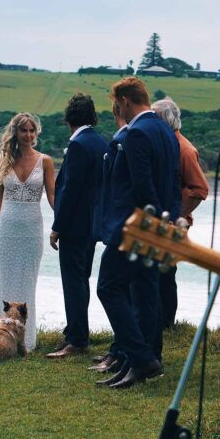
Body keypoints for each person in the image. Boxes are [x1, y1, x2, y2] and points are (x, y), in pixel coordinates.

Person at [95, 77, 180, 389]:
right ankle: (144, 359)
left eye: (116, 105)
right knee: (146, 293)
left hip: (134, 226)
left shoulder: (136, 133)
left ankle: (140, 357)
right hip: (157, 225)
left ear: (126, 102)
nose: (117, 110)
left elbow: (142, 186)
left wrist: (152, 221)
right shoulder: (167, 132)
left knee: (108, 287)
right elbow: (171, 182)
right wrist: (168, 221)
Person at [0, 112, 55, 352]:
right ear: (16, 132)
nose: (28, 135)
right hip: (7, 226)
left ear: (37, 133)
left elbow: (53, 196)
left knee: (27, 283)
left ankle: (25, 340)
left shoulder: (45, 161)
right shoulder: (4, 159)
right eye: (24, 130)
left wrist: (63, 220)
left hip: (32, 228)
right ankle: (0, 337)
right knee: (4, 282)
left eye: (32, 130)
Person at [47, 94, 107, 359]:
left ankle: (77, 338)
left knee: (73, 282)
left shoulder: (79, 145)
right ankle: (75, 330)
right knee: (81, 279)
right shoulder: (100, 142)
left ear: (69, 117)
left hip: (74, 226)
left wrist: (57, 226)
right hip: (91, 225)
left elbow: (70, 190)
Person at [152, 97, 209, 328]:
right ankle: (159, 320)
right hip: (161, 219)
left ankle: (166, 323)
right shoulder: (165, 144)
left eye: (153, 117)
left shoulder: (184, 149)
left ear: (165, 120)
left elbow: (199, 189)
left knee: (165, 273)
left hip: (173, 223)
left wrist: (176, 217)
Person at [89, 102, 130, 375]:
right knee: (119, 291)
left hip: (124, 230)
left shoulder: (126, 139)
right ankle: (120, 350)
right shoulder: (119, 140)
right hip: (119, 229)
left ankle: (129, 352)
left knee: (110, 289)